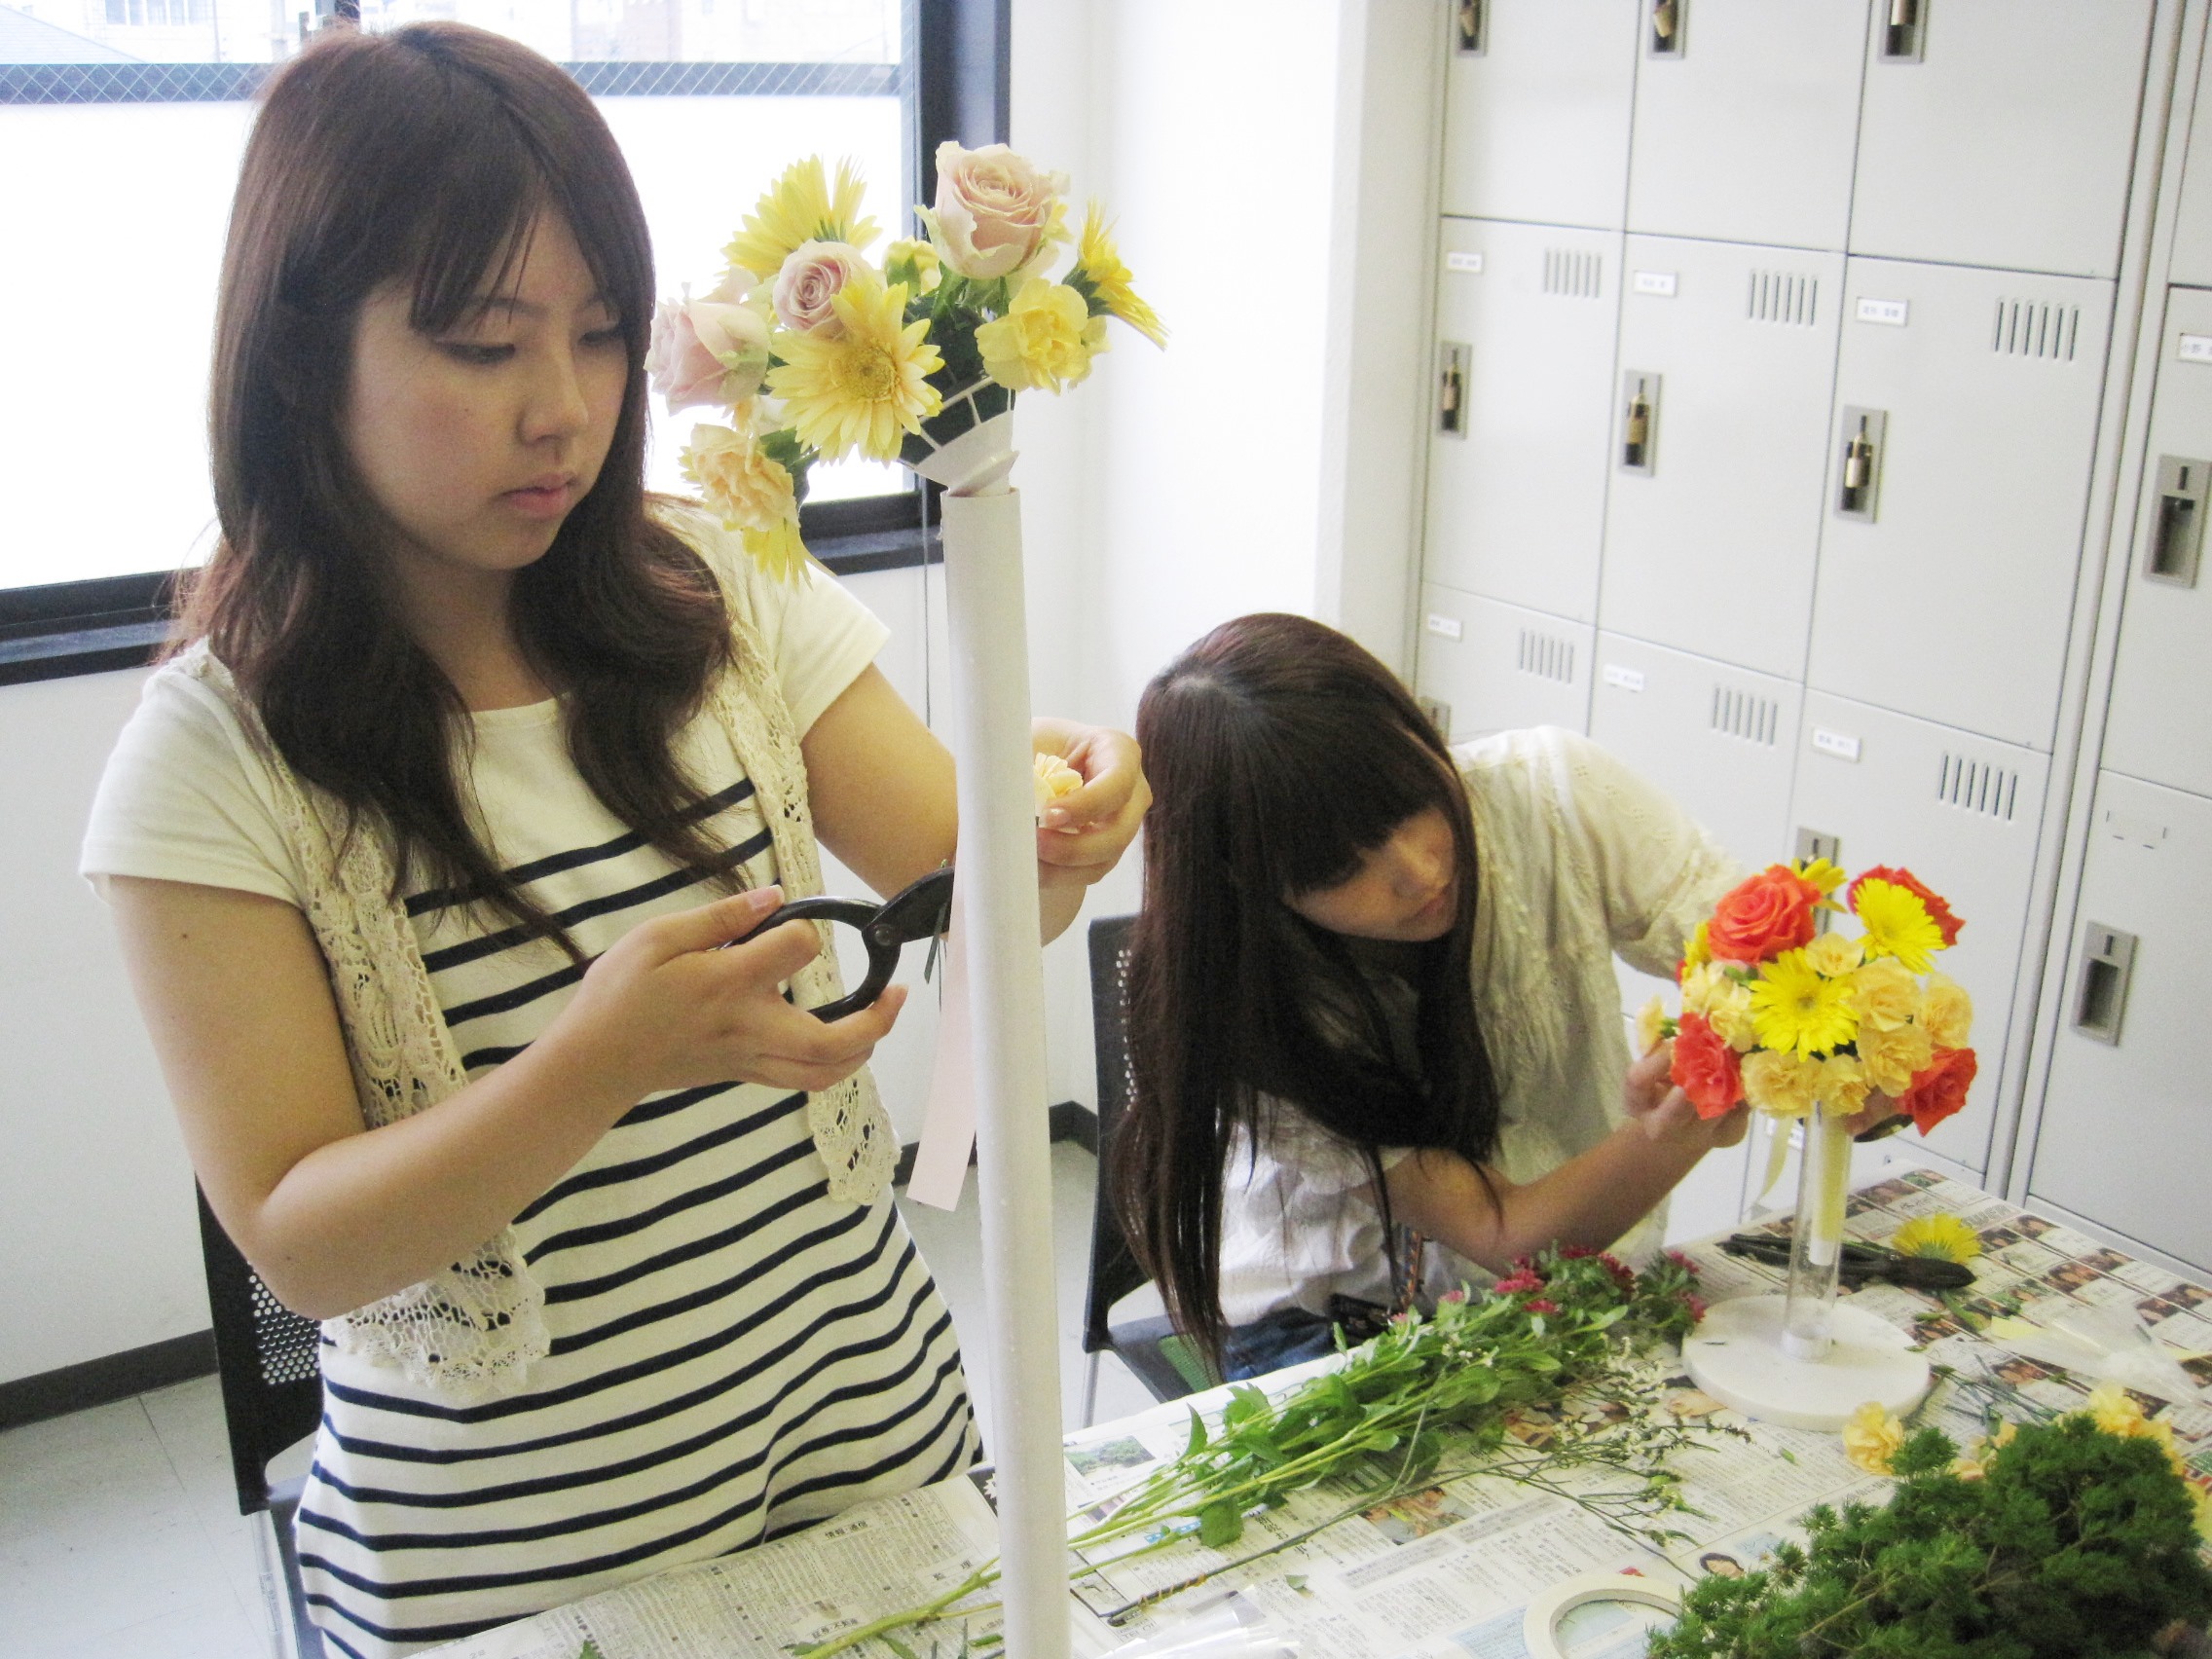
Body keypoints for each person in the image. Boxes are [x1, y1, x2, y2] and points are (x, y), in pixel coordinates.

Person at [79, 24, 1143, 1657]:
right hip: (516, 1568)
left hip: (873, 1453)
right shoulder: (215, 759)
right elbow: (302, 1240)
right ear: (301, 358)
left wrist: (1057, 824)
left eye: (595, 335)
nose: (564, 412)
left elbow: (976, 887)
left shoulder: (721, 587)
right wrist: (596, 1062)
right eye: (480, 344)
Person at [1114, 613, 1749, 1380]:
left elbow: (1766, 961)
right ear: (1249, 879)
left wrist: (1830, 1056)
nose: (1418, 871)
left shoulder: (1552, 791)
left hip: (1574, 1278)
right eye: (1339, 867)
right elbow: (1499, 1230)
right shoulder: (1250, 1006)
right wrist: (1676, 1127)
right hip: (1341, 1320)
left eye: (1412, 801)